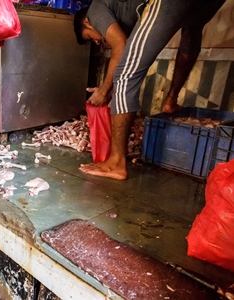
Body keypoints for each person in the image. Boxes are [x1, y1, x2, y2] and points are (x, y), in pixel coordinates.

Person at [76, 0, 225, 180]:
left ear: (87, 23)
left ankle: (115, 163)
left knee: (125, 73)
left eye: (90, 37)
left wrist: (105, 89)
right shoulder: (118, 12)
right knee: (192, 28)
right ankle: (170, 99)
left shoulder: (94, 9)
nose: (98, 41)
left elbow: (121, 46)